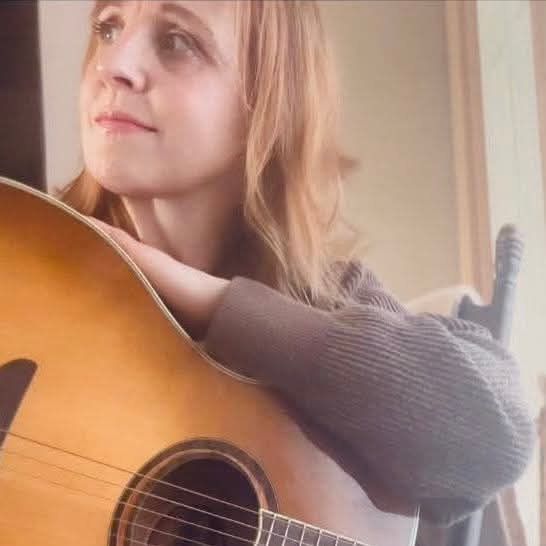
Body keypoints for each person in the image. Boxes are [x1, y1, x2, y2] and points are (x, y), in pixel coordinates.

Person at [57, 0, 535, 527]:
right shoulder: (21, 267)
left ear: (268, 103)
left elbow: (496, 440)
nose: (112, 63)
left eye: (176, 42)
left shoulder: (320, 298)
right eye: (108, 27)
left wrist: (219, 305)